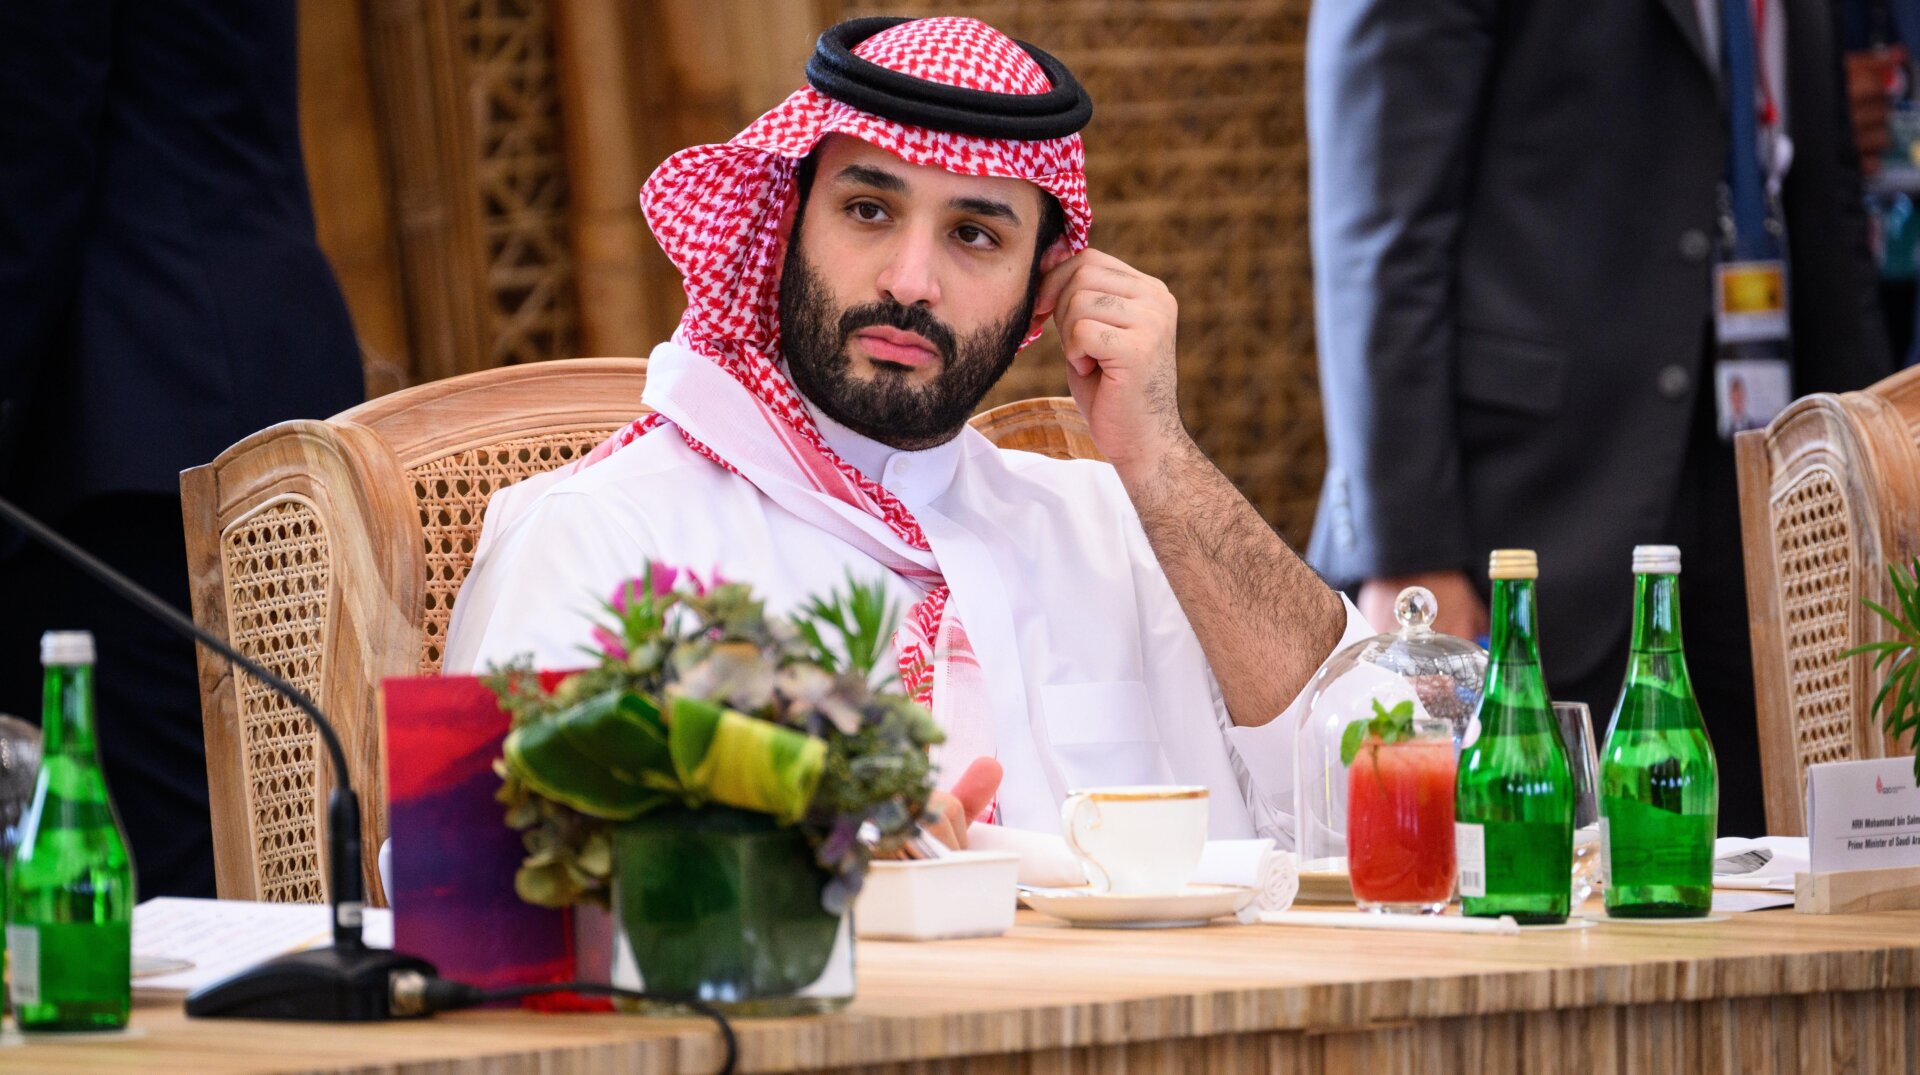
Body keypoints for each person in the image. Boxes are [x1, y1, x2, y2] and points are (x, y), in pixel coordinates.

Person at [444, 16, 1367, 848]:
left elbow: (1384, 782)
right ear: (787, 222)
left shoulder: (1116, 527)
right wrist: (804, 852)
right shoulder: (613, 533)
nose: (910, 278)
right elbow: (493, 882)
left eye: (974, 235)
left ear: (1043, 289)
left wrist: (1161, 461)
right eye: (868, 209)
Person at [1306, 0, 1895, 836]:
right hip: (1528, 508)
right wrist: (1410, 552)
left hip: (1768, 504)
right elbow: (1377, 224)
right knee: (1521, 898)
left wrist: (1881, 502)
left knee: (1758, 889)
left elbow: (1825, 195)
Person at [0, 2, 366, 896]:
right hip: (250, 374)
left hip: (125, 420)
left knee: (188, 896)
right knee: (288, 858)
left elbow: (28, 149)